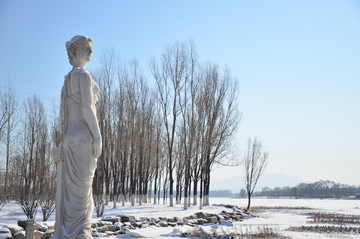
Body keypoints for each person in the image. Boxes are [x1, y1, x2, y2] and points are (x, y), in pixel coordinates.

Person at [57, 35, 102, 239]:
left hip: (70, 141)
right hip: (84, 140)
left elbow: (63, 116)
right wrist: (98, 137)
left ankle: (68, 233)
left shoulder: (67, 80)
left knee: (72, 198)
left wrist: (64, 139)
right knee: (83, 198)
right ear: (75, 52)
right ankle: (81, 233)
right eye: (86, 48)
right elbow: (86, 109)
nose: (90, 52)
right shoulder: (83, 76)